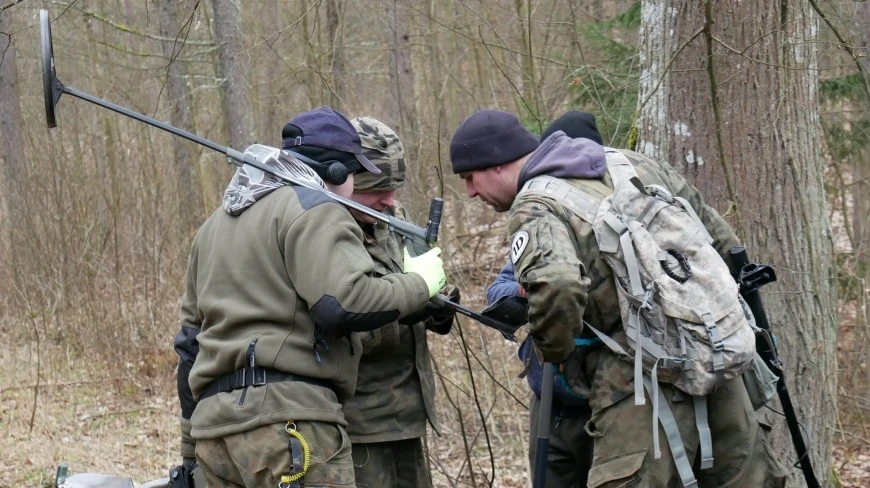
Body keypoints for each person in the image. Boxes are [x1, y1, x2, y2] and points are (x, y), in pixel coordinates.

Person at [451, 109, 787, 487]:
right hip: (716, 356)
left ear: (496, 164)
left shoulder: (535, 204)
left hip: (637, 381)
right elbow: (721, 239)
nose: (470, 192)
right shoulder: (632, 163)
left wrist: (554, 354)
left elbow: (558, 284)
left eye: (470, 177)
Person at [174, 106, 447, 488]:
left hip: (215, 435)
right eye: (356, 175)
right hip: (289, 428)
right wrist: (421, 284)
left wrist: (189, 453)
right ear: (338, 173)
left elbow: (189, 347)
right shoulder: (317, 207)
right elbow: (344, 303)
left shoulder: (211, 228)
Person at [485, 110, 604, 488]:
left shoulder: (616, 223)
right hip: (550, 399)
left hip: (609, 401)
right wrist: (527, 290)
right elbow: (499, 290)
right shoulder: (542, 221)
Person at [342, 115, 457, 488]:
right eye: (378, 190)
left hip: (407, 411)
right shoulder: (325, 233)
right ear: (346, 183)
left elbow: (419, 278)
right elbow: (340, 318)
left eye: (395, 188)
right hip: (357, 420)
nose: (390, 201)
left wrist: (439, 305)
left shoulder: (394, 218)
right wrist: (406, 308)